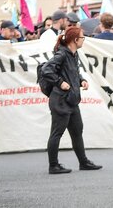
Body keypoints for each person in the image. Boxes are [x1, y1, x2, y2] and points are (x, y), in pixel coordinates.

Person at [40, 26, 102, 174]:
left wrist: (81, 80)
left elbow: (74, 72)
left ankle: (83, 162)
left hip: (71, 100)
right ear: (75, 40)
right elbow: (46, 70)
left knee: (77, 131)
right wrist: (60, 82)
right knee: (57, 133)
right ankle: (53, 166)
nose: (83, 40)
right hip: (60, 100)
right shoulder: (62, 54)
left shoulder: (73, 54)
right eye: (82, 38)